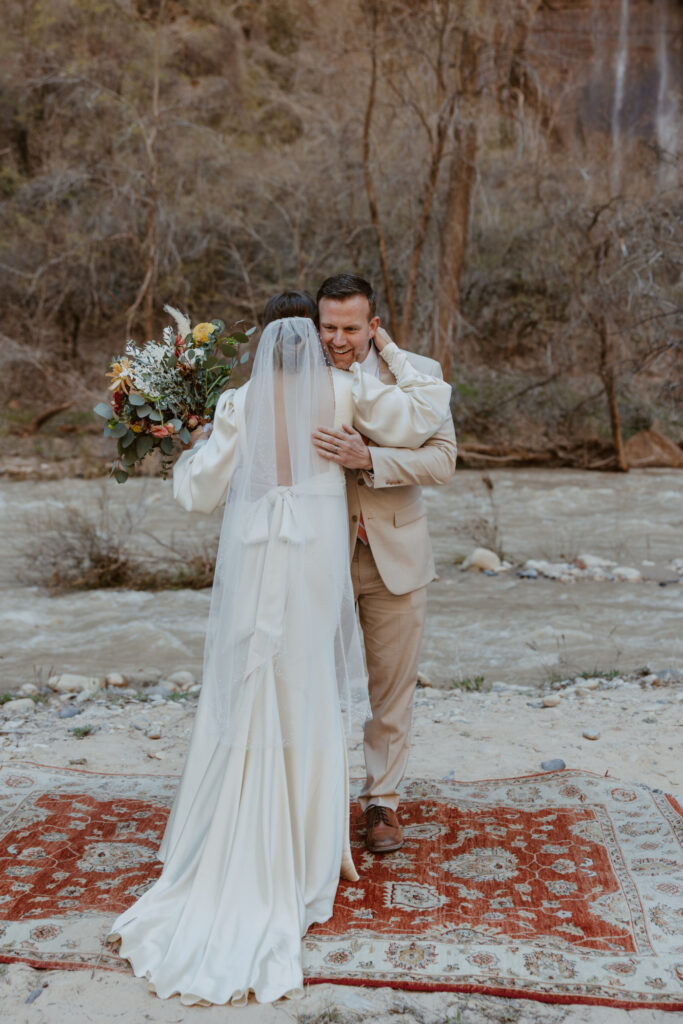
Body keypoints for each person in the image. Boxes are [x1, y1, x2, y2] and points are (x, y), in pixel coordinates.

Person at [106, 314, 451, 1006]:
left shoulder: (238, 402)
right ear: (314, 341)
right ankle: (309, 848)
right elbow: (419, 416)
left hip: (257, 558)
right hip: (313, 566)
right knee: (308, 687)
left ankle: (226, 829)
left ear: (264, 345)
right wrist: (385, 353)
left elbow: (198, 493)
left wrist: (192, 446)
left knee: (245, 688)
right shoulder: (345, 391)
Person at [312, 274, 457, 855]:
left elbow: (443, 461)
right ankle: (312, 801)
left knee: (390, 689)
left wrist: (370, 458)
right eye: (328, 327)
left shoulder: (419, 373)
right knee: (308, 681)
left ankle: (382, 803)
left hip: (394, 551)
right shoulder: (298, 373)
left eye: (350, 327)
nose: (338, 339)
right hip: (317, 553)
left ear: (373, 326)